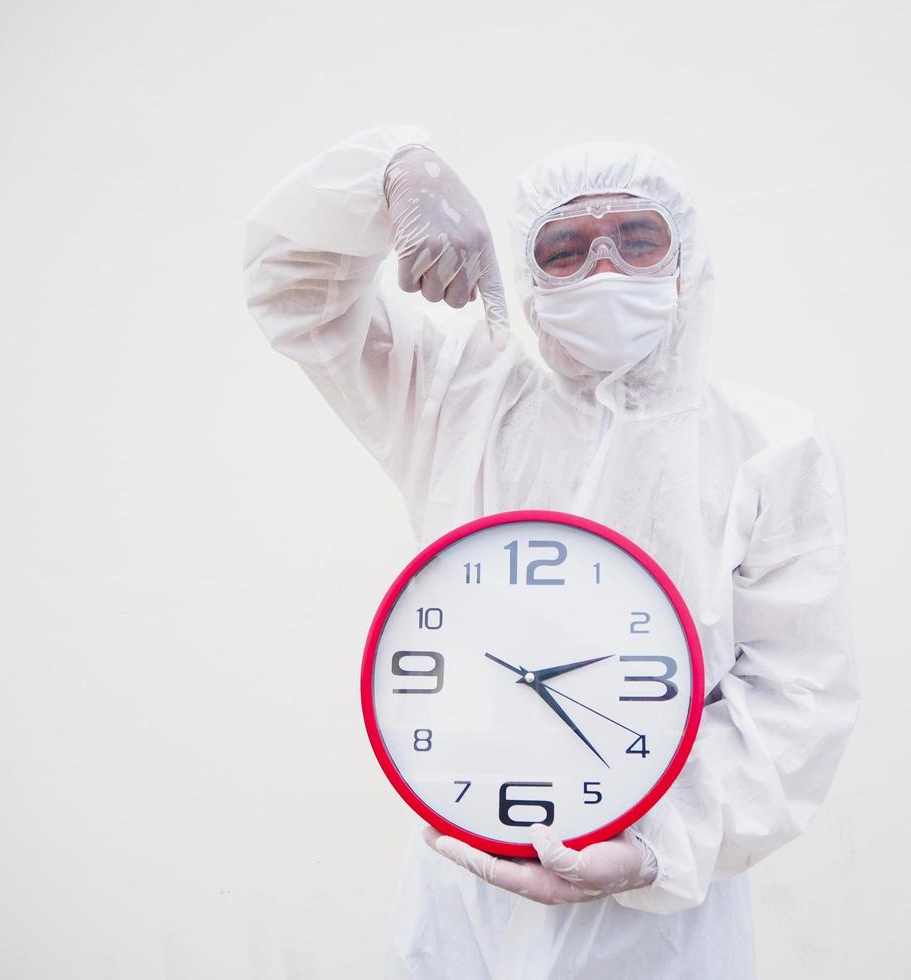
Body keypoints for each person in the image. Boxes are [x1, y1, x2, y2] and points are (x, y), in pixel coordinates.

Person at [242, 124, 861, 979]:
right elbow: (293, 291)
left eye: (635, 238)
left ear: (684, 258)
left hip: (659, 926)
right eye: (564, 247)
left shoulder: (768, 448)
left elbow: (799, 692)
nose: (603, 267)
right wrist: (388, 175)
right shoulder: (456, 395)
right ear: (527, 278)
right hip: (464, 890)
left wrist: (653, 847)